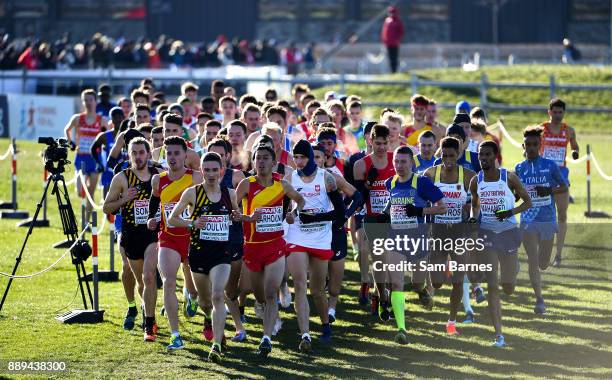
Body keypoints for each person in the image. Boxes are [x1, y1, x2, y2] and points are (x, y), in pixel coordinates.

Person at [168, 152, 241, 362]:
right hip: (199, 254)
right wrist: (192, 223)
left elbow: (235, 215)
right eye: (206, 170)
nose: (210, 174)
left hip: (221, 254)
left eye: (214, 170)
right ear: (201, 171)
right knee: (205, 301)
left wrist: (236, 216)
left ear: (221, 171)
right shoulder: (192, 193)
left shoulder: (230, 193)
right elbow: (173, 219)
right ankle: (208, 319)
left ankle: (216, 345)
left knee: (218, 295)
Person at [234, 144, 305, 357]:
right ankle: (264, 309)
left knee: (271, 292)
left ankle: (266, 338)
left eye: (266, 158)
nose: (261, 162)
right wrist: (247, 218)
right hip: (253, 247)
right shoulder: (247, 184)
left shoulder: (282, 185)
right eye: (258, 158)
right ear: (253, 162)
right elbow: (231, 211)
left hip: (275, 245)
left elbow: (300, 200)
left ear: (273, 163)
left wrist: (294, 212)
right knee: (261, 295)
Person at [377, 146, 446, 343]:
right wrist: (383, 215)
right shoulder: (390, 183)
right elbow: (391, 205)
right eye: (396, 161)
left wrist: (419, 211)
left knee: (416, 283)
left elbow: (442, 207)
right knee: (397, 283)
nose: (399, 166)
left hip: (418, 241)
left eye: (404, 161)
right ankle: (401, 329)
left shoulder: (422, 183)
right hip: (395, 240)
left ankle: (422, 290)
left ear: (412, 163)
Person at [469, 140, 532, 347]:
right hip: (487, 234)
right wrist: (472, 218)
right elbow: (475, 206)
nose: (483, 159)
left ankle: (513, 269)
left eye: (487, 155)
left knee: (508, 287)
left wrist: (509, 212)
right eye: (480, 155)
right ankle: (499, 335)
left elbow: (527, 201)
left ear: (495, 156)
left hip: (508, 232)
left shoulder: (509, 177)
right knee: (493, 285)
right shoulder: (476, 181)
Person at [284, 140, 345, 351]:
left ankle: (326, 326)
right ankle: (306, 334)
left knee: (318, 290)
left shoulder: (326, 177)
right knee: (300, 284)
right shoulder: (290, 178)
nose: (298, 162)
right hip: (297, 236)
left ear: (310, 157)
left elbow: (340, 212)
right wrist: (290, 215)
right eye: (296, 157)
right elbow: (285, 207)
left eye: (302, 157)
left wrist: (318, 217)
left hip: (320, 237)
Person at [147, 136, 204, 350]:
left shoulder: (197, 178)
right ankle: (175, 334)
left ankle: (194, 298)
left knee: (198, 288)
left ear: (185, 154)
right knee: (169, 282)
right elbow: (154, 204)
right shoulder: (158, 180)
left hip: (193, 237)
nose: (172, 157)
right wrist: (152, 219)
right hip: (168, 237)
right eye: (168, 153)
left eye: (176, 153)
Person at [103, 137, 161, 341]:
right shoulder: (122, 178)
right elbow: (106, 208)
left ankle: (149, 323)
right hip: (131, 234)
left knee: (149, 276)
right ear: (128, 154)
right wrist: (124, 198)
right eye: (134, 152)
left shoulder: (158, 174)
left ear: (148, 153)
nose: (138, 156)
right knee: (141, 282)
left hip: (153, 234)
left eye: (141, 152)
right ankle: (144, 307)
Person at [423, 137, 475, 336]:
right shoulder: (430, 174)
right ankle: (444, 264)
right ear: (440, 154)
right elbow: (420, 198)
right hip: (437, 232)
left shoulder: (468, 176)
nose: (448, 160)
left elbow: (476, 203)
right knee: (436, 282)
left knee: (458, 280)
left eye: (452, 156)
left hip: (459, 232)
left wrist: (472, 213)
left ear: (459, 154)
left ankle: (451, 322)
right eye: (444, 156)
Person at [516, 126, 567, 314]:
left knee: (543, 263)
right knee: (532, 259)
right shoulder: (519, 168)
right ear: (523, 145)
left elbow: (563, 186)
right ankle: (539, 299)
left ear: (540, 145)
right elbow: (516, 192)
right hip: (528, 220)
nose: (531, 148)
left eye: (534, 144)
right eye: (528, 144)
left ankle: (540, 272)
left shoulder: (550, 165)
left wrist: (549, 191)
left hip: (547, 219)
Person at [312, 144, 364, 325]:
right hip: (314, 234)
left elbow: (357, 197)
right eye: (311, 157)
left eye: (318, 157)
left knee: (334, 284)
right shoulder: (298, 180)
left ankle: (332, 308)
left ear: (325, 160)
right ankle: (325, 312)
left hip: (336, 232)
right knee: (319, 280)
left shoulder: (333, 178)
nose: (314, 161)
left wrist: (345, 216)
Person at [353, 124, 397, 319]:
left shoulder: (397, 161)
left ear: (390, 141)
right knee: (379, 262)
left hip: (395, 218)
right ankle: (381, 296)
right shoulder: (361, 165)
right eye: (377, 143)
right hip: (372, 219)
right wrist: (368, 185)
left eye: (384, 143)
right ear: (370, 141)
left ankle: (388, 296)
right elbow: (357, 198)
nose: (381, 147)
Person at [207, 138, 248, 342]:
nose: (217, 160)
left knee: (231, 289)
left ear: (228, 157)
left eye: (221, 156)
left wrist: (239, 214)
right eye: (212, 155)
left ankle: (238, 320)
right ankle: (226, 329)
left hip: (233, 237)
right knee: (216, 289)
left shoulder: (236, 177)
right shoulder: (200, 179)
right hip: (209, 240)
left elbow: (246, 206)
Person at [539, 98, 579, 267]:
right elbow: (528, 145)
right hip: (543, 176)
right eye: (554, 112)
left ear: (564, 112)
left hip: (561, 176)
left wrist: (576, 152)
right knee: (543, 216)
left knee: (562, 214)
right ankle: (543, 252)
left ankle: (559, 255)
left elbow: (575, 146)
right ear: (549, 112)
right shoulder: (540, 130)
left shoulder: (569, 130)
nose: (557, 115)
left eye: (560, 112)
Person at [64, 89, 108, 222]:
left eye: (91, 100)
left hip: (95, 159)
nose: (88, 103)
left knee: (90, 192)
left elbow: (107, 136)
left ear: (95, 101)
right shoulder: (78, 118)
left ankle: (86, 221)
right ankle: (85, 218)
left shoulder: (102, 120)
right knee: (79, 191)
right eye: (85, 100)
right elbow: (67, 129)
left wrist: (105, 145)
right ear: (83, 102)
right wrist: (71, 142)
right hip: (81, 158)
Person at [91, 106, 125, 196]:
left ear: (123, 118)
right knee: (107, 200)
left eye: (119, 117)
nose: (117, 119)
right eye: (115, 117)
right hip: (108, 172)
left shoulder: (127, 135)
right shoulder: (104, 136)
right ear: (111, 119)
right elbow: (93, 149)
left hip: (124, 172)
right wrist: (98, 163)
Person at [380, 6, 404, 73]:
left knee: (394, 58)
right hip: (388, 43)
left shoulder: (398, 22)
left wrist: (397, 40)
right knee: (390, 58)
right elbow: (384, 31)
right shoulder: (387, 21)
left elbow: (401, 32)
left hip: (395, 43)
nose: (391, 14)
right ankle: (391, 71)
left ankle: (395, 71)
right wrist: (384, 40)